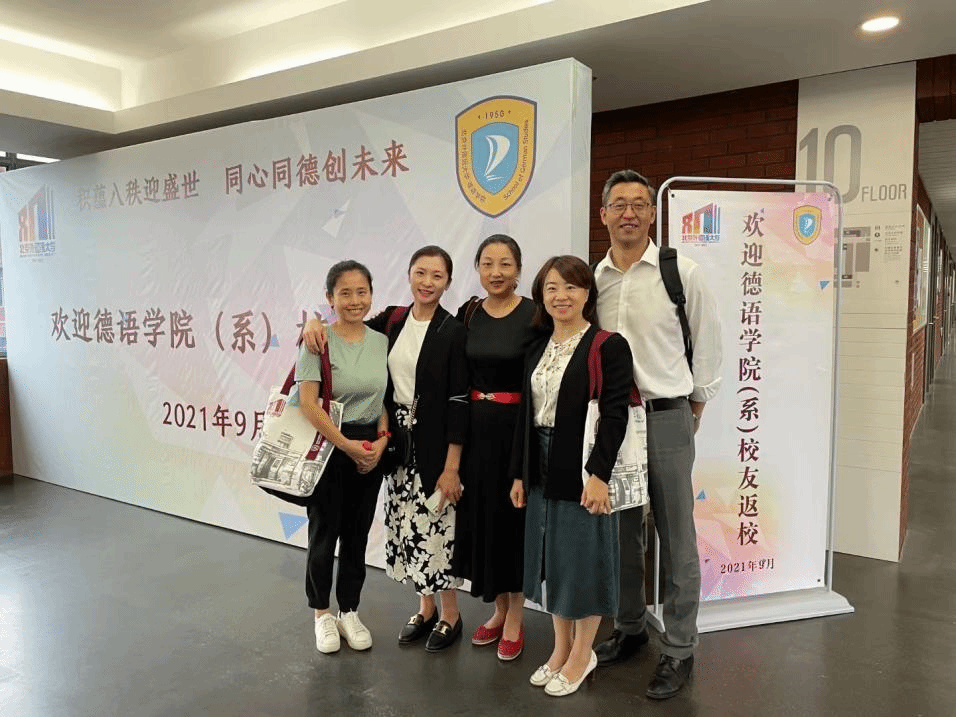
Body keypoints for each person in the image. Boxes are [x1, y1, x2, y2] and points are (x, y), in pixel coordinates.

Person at [591, 169, 723, 699]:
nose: (629, 213)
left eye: (639, 204)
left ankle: (680, 648)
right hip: (615, 422)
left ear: (652, 213)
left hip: (667, 415)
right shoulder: (593, 280)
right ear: (603, 214)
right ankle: (629, 628)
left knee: (677, 534)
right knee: (623, 532)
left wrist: (693, 404)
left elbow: (708, 342)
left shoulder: (680, 272)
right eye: (618, 204)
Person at [304, 246, 469, 652]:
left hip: (424, 447)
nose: (427, 282)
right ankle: (422, 609)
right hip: (393, 448)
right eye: (420, 273)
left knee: (437, 528)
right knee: (407, 527)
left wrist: (451, 465)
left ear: (448, 282)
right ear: (408, 275)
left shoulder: (452, 330)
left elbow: (459, 399)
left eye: (437, 275)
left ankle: (449, 614)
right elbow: (345, 324)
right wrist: (313, 320)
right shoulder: (392, 321)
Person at [509, 255, 634, 698]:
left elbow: (615, 415)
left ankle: (583, 653)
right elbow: (525, 415)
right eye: (551, 288)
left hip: (581, 465)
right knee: (552, 559)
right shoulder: (536, 345)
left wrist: (598, 474)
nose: (561, 296)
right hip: (540, 463)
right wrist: (519, 473)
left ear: (587, 294)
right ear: (541, 296)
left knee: (584, 558)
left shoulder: (607, 345)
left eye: (571, 287)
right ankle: (560, 648)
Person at [295, 260, 390, 655]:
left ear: (371, 295)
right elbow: (308, 404)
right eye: (345, 293)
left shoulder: (381, 341)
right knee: (324, 533)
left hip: (369, 448)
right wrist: (346, 446)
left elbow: (383, 399)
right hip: (329, 445)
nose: (354, 300)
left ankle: (349, 610)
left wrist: (381, 440)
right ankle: (322, 613)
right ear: (330, 298)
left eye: (361, 292)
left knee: (357, 534)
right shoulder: (317, 340)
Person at [451, 234, 537, 661]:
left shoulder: (535, 315)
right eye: (487, 263)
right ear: (478, 268)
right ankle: (499, 609)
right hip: (475, 433)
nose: (496, 272)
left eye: (505, 264)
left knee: (512, 524)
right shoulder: (469, 313)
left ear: (518, 269)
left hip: (516, 430)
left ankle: (517, 615)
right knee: (483, 521)